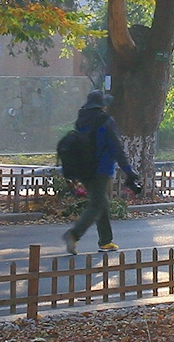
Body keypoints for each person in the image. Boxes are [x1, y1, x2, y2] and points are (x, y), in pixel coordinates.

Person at [61, 92, 142, 254]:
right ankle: (74, 234)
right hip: (101, 170)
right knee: (98, 204)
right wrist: (129, 171)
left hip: (84, 169)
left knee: (101, 202)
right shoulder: (105, 121)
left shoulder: (81, 120)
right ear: (102, 105)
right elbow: (116, 148)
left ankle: (106, 241)